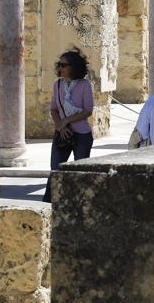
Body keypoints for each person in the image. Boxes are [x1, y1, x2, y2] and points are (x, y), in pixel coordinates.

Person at [41, 49, 95, 203]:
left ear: (74, 66)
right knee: (55, 171)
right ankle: (48, 205)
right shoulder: (57, 85)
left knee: (80, 173)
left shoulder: (85, 85)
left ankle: (81, 204)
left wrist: (67, 121)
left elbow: (88, 110)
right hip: (62, 134)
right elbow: (53, 108)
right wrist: (60, 125)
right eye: (59, 64)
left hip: (81, 135)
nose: (61, 68)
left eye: (64, 65)